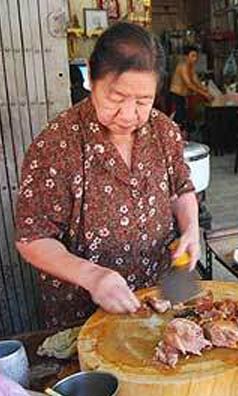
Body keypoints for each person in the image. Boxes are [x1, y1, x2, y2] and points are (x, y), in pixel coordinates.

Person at [15, 22, 200, 329]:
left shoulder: (164, 130)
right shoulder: (57, 143)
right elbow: (32, 237)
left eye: (143, 101)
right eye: (116, 98)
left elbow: (182, 188)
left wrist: (191, 229)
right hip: (86, 309)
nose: (129, 115)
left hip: (163, 291)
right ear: (91, 76)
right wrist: (92, 276)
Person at [169, 45, 213, 127]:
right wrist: (204, 94)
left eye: (196, 56)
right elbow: (189, 84)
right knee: (179, 118)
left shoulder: (191, 66)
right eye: (193, 56)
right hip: (176, 95)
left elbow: (195, 80)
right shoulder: (183, 66)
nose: (195, 59)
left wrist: (204, 89)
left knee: (185, 117)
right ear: (186, 56)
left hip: (184, 96)